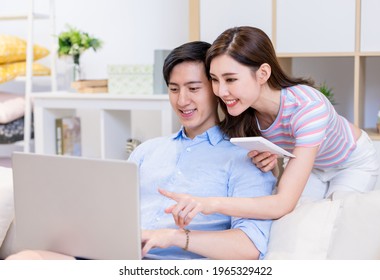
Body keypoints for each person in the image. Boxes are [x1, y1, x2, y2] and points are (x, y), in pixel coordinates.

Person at [6, 40, 275, 260]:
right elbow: (109, 214)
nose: (182, 100)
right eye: (173, 89)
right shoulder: (148, 151)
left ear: (217, 89)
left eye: (194, 88)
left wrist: (174, 238)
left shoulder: (248, 158)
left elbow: (249, 246)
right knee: (23, 261)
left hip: (170, 265)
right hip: (108, 258)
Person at [160, 26, 380, 228]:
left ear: (263, 74)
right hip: (310, 165)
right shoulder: (243, 110)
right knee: (295, 224)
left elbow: (281, 203)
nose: (221, 91)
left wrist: (211, 204)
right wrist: (272, 161)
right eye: (215, 80)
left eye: (231, 79)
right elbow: (278, 181)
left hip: (350, 162)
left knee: (336, 222)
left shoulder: (308, 108)